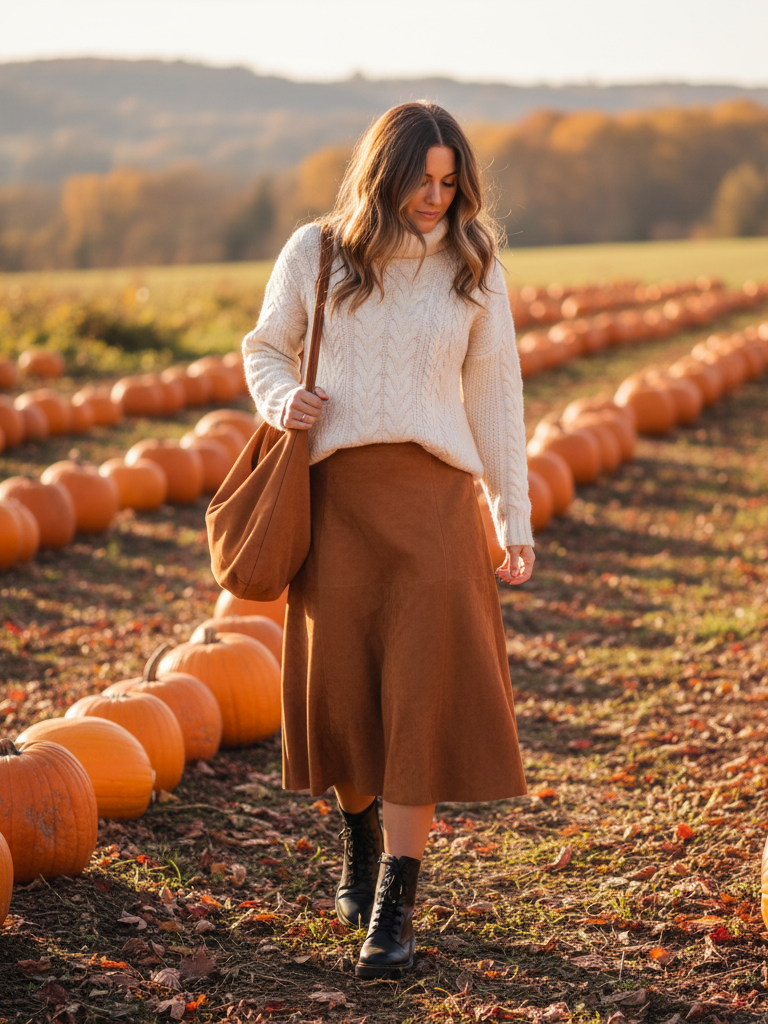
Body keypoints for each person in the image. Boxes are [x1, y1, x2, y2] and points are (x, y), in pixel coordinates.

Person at [242, 100, 535, 979]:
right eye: (422, 180)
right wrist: (282, 398)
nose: (436, 198)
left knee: (419, 698)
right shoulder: (316, 252)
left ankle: (396, 901)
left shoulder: (473, 265)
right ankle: (360, 835)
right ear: (384, 173)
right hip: (339, 505)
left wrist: (512, 516)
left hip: (437, 509)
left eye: (450, 182)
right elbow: (265, 348)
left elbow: (497, 395)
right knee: (346, 697)